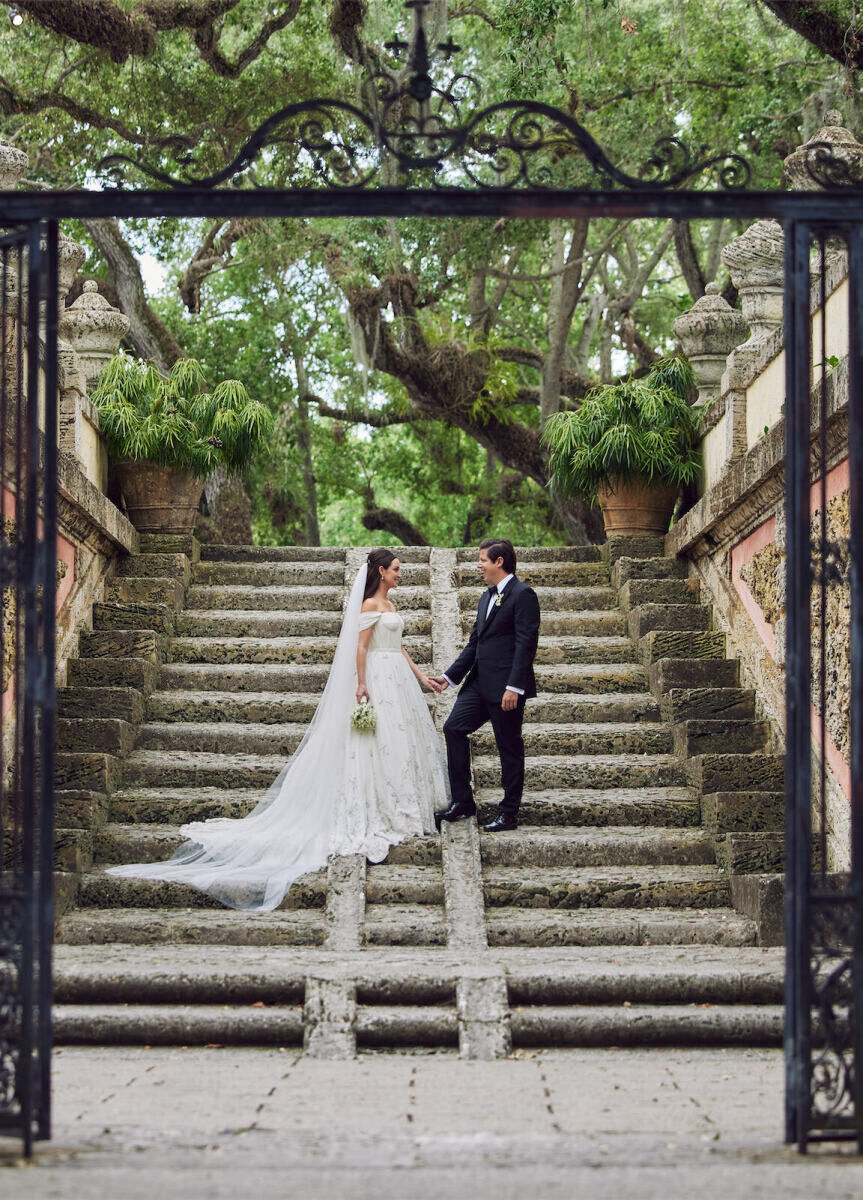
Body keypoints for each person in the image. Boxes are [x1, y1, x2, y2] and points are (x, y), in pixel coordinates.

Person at [107, 549, 449, 911]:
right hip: (377, 679)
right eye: (396, 570)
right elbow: (360, 649)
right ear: (381, 571)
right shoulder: (366, 607)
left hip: (397, 678)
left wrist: (422, 677)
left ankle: (402, 803)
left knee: (398, 743)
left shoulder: (391, 608)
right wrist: (362, 685)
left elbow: (399, 647)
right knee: (371, 744)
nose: (400, 574)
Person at [431, 538, 540, 833]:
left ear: (499, 561)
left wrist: (514, 687)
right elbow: (474, 644)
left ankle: (508, 813)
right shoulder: (485, 597)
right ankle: (463, 801)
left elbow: (525, 645)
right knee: (453, 728)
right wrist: (449, 677)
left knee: (509, 748)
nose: (479, 565)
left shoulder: (523, 595)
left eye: (482, 560)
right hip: (478, 684)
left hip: (506, 687)